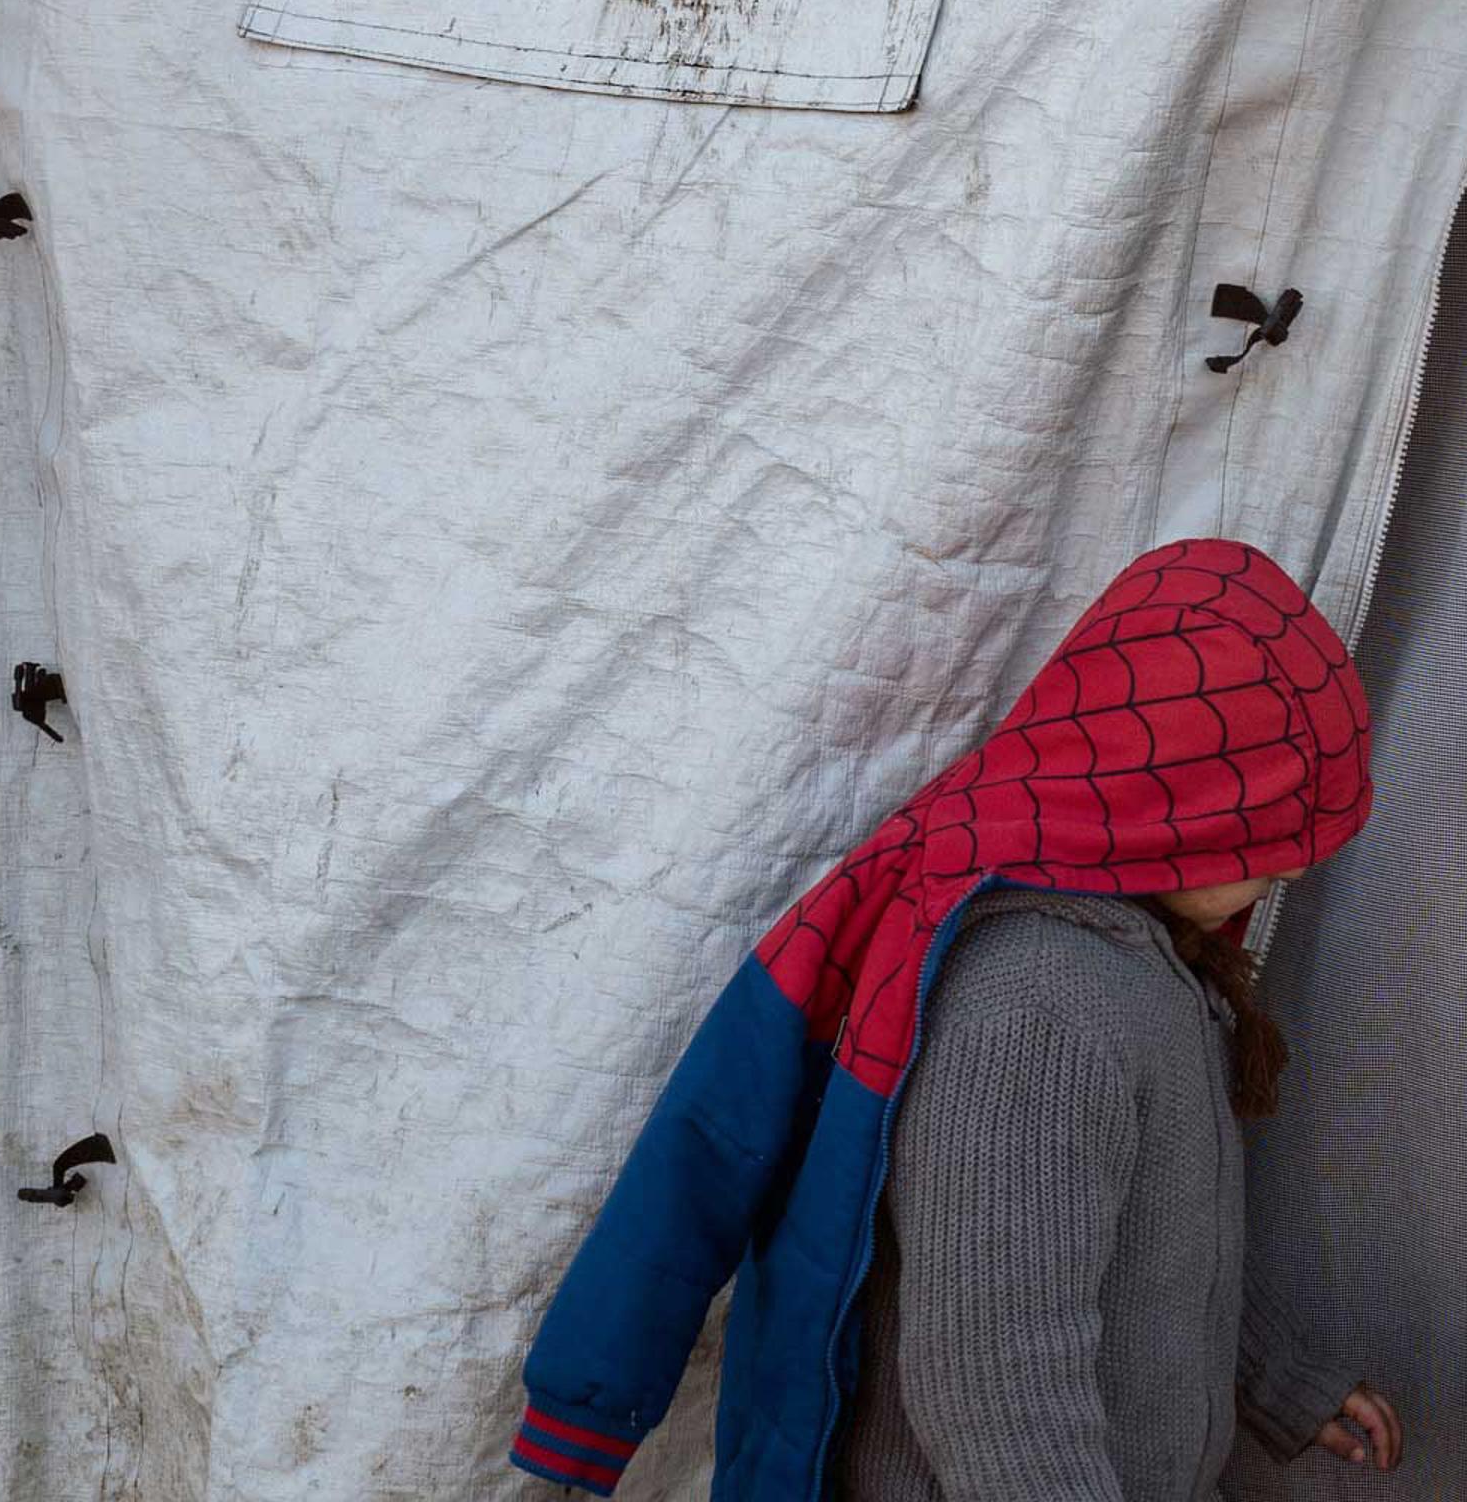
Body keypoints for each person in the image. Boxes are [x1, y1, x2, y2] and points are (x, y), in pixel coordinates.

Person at [510, 538, 1408, 1500]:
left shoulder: (1152, 971)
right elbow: (997, 1378)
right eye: (1277, 831)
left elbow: (1146, 1243)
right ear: (1174, 798)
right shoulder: (1036, 1009)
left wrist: (1273, 1374)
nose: (1299, 864)